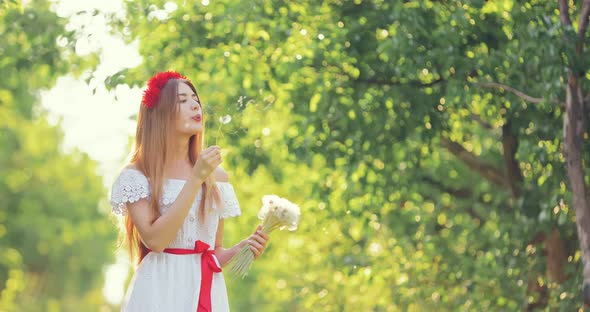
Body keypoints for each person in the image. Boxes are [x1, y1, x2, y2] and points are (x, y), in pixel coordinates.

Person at [109, 71, 269, 311]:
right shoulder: (137, 176)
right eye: (183, 101)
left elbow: (212, 252)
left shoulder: (218, 177)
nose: (195, 105)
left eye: (195, 99)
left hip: (206, 289)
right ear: (160, 114)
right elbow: (156, 241)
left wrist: (241, 249)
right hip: (159, 292)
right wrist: (196, 178)